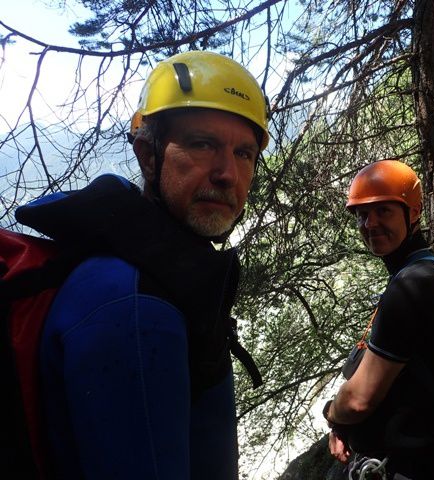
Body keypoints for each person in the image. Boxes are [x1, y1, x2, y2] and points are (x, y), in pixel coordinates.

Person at [13, 51, 268, 479]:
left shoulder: (167, 275)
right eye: (203, 144)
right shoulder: (134, 307)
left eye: (244, 153)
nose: (227, 173)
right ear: (148, 155)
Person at [322, 160, 434, 479]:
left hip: (412, 464)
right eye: (362, 214)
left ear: (413, 213)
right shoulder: (424, 271)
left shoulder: (412, 284)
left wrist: (333, 415)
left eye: (383, 211)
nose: (370, 223)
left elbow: (360, 400)